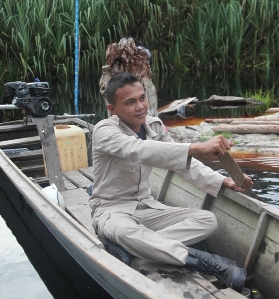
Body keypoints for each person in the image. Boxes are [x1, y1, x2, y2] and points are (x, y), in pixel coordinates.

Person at [89, 72, 253, 292]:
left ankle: (136, 248)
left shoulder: (154, 127)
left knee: (208, 220)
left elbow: (183, 164)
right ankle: (210, 263)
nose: (140, 107)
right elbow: (137, 150)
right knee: (125, 233)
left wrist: (222, 180)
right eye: (130, 102)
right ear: (113, 110)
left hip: (146, 207)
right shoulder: (104, 131)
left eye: (142, 98)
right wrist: (197, 147)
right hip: (110, 210)